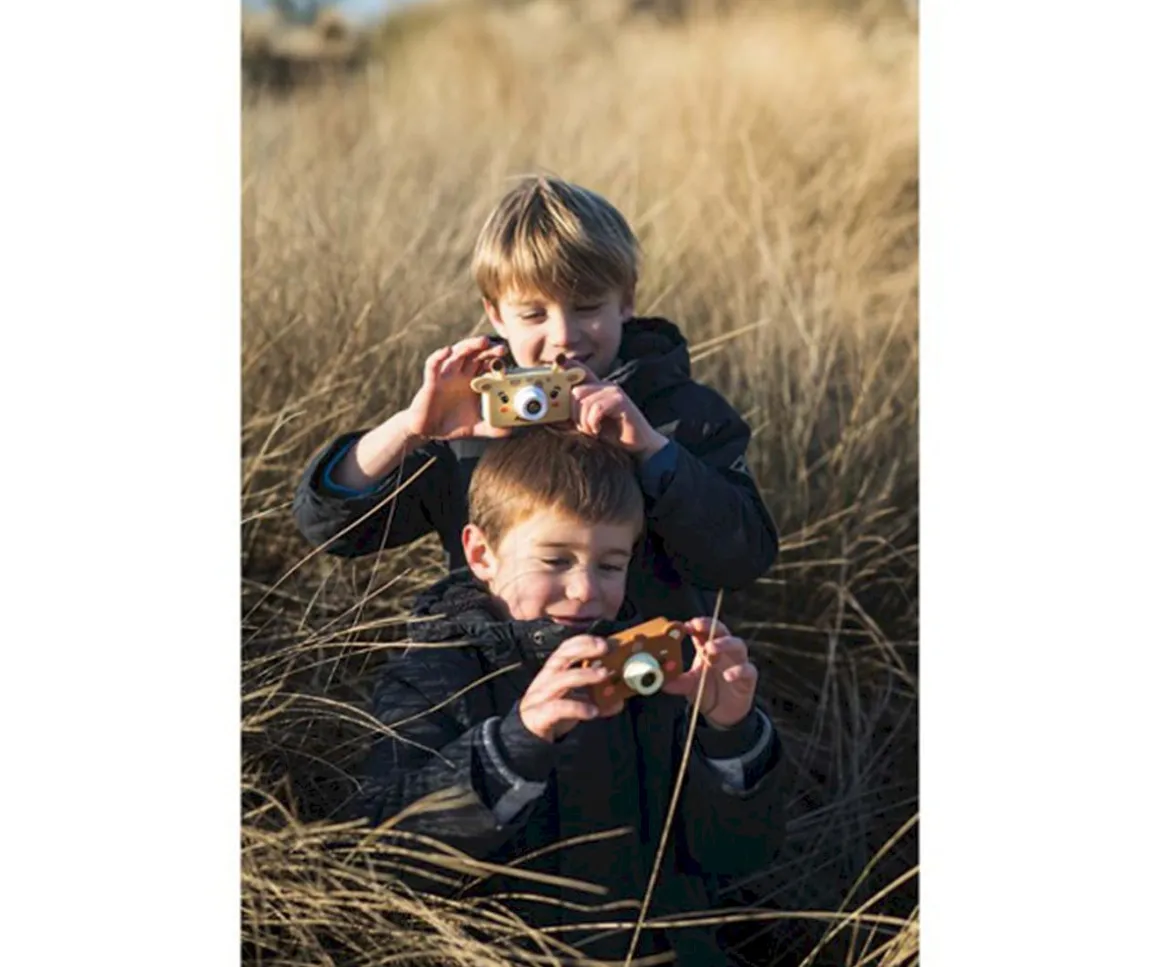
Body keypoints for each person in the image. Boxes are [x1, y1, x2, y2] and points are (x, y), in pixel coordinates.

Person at [358, 429, 786, 965]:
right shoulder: (433, 673)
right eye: (555, 560)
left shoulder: (660, 680)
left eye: (610, 565)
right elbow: (385, 858)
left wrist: (730, 733)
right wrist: (516, 743)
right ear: (481, 554)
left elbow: (741, 853)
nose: (585, 590)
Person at [292, 174, 779, 620]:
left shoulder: (684, 415)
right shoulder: (468, 417)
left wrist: (653, 450)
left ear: (627, 300)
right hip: (493, 672)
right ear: (496, 315)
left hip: (640, 672)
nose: (563, 335)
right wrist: (411, 428)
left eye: (587, 307)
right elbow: (332, 529)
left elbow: (743, 558)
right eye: (533, 314)